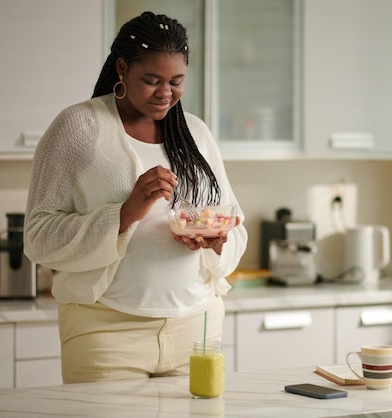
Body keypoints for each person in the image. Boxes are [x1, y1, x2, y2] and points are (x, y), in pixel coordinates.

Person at [23, 11, 248, 384]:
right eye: (152, 80)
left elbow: (236, 225)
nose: (166, 93)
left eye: (176, 81)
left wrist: (217, 241)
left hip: (197, 326)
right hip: (105, 329)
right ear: (123, 70)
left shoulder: (196, 133)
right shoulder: (78, 128)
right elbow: (38, 237)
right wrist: (125, 214)